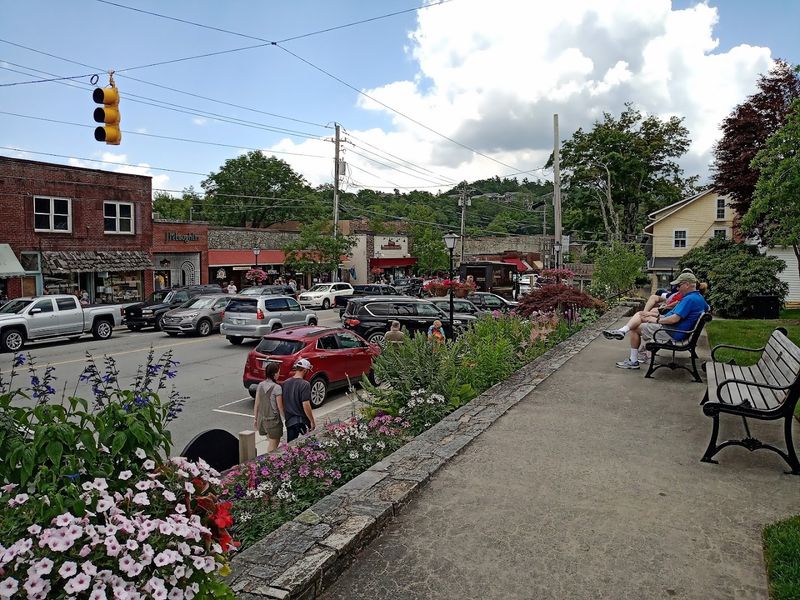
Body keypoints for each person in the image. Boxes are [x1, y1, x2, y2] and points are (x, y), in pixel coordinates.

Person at [603, 272, 709, 369]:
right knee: (642, 315)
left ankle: (633, 360)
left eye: (679, 285)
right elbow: (707, 308)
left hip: (673, 332)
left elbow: (673, 319)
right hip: (678, 331)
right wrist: (651, 316)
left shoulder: (689, 299)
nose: (677, 288)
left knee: (635, 328)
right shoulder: (698, 297)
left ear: (686, 284)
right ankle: (622, 331)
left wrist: (656, 320)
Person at [281, 358, 316, 442]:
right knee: (308, 445)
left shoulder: (285, 383)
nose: (308, 372)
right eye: (308, 370)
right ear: (304, 370)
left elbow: (282, 402)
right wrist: (312, 421)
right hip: (301, 421)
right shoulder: (305, 384)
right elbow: (306, 404)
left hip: (289, 421)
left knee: (290, 447)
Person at [254, 362, 284, 452]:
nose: (279, 374)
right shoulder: (277, 387)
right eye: (278, 372)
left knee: (270, 441)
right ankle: (269, 463)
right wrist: (286, 418)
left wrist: (255, 419)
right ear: (274, 374)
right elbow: (280, 407)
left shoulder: (260, 385)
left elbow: (257, 404)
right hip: (273, 421)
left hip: (262, 419)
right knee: (274, 444)